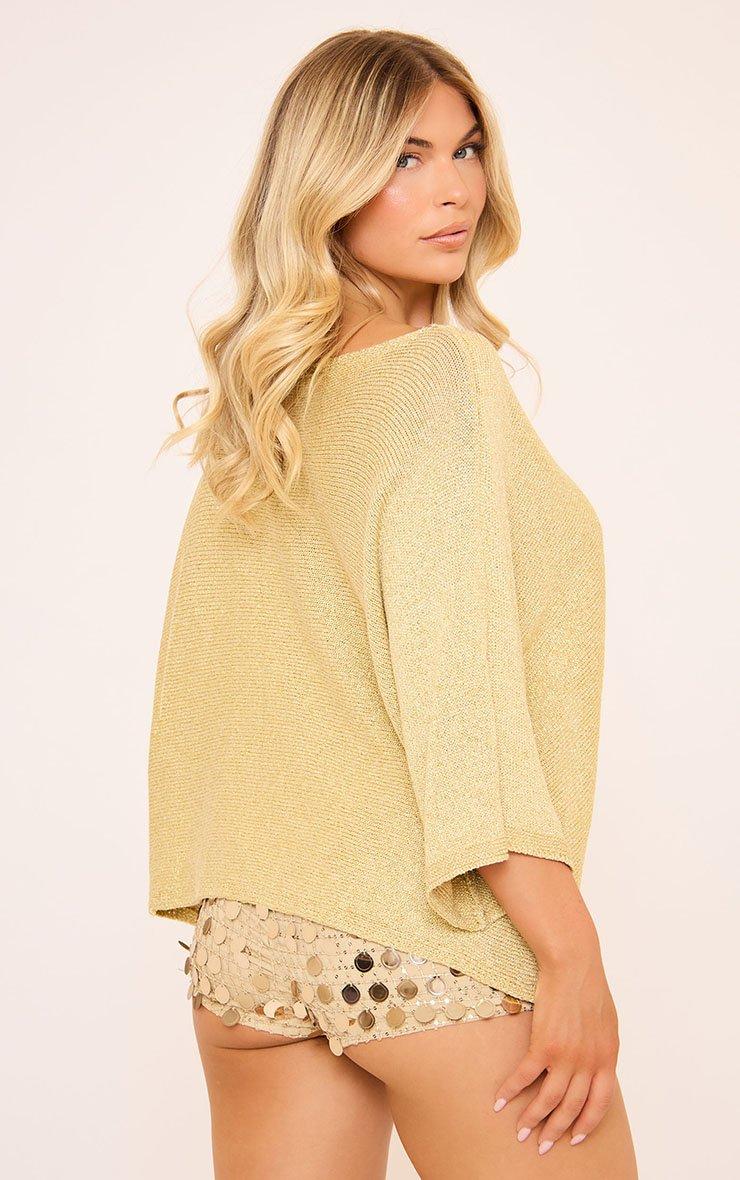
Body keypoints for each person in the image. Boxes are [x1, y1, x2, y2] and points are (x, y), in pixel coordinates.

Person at [147, 27, 638, 1179]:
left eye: (465, 149)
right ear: (325, 179)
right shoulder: (438, 377)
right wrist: (567, 949)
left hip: (249, 945)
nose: (454, 187)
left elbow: (210, 696)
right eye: (404, 157)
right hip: (421, 941)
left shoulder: (262, 409)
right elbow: (454, 692)